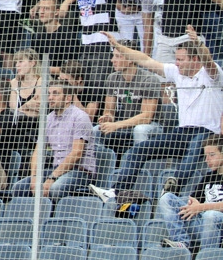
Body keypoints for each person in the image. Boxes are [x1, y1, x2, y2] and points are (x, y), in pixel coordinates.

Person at [91, 28, 223, 201]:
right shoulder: (177, 73)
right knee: (138, 149)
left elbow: (208, 61)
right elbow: (146, 61)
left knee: (194, 149)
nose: (176, 63)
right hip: (182, 133)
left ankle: (172, 188)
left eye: (181, 59)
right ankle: (115, 191)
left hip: (208, 133)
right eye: (176, 59)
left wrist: (198, 44)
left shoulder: (212, 74)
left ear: (195, 59)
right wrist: (118, 46)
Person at [13, 80, 97, 200]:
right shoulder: (48, 119)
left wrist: (52, 178)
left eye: (55, 94)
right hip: (56, 169)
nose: (50, 98)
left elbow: (76, 153)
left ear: (68, 98)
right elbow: (38, 151)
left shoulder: (80, 117)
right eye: (49, 94)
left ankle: (54, 217)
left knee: (56, 188)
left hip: (80, 171)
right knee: (19, 188)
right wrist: (34, 177)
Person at [158, 134, 223, 252]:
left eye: (212, 155)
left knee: (211, 215)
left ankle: (206, 256)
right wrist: (192, 204)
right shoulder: (208, 177)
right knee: (166, 198)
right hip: (201, 226)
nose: (207, 160)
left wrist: (201, 207)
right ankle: (182, 242)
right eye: (205, 156)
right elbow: (193, 201)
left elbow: (201, 207)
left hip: (218, 228)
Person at [99, 41, 162, 158]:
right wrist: (108, 117)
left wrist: (117, 125)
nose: (112, 60)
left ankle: (140, 169)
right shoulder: (112, 78)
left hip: (151, 125)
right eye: (113, 56)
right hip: (123, 122)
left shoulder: (148, 80)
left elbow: (147, 117)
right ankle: (98, 171)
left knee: (140, 130)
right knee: (95, 131)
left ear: (130, 59)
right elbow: (109, 110)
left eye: (118, 56)